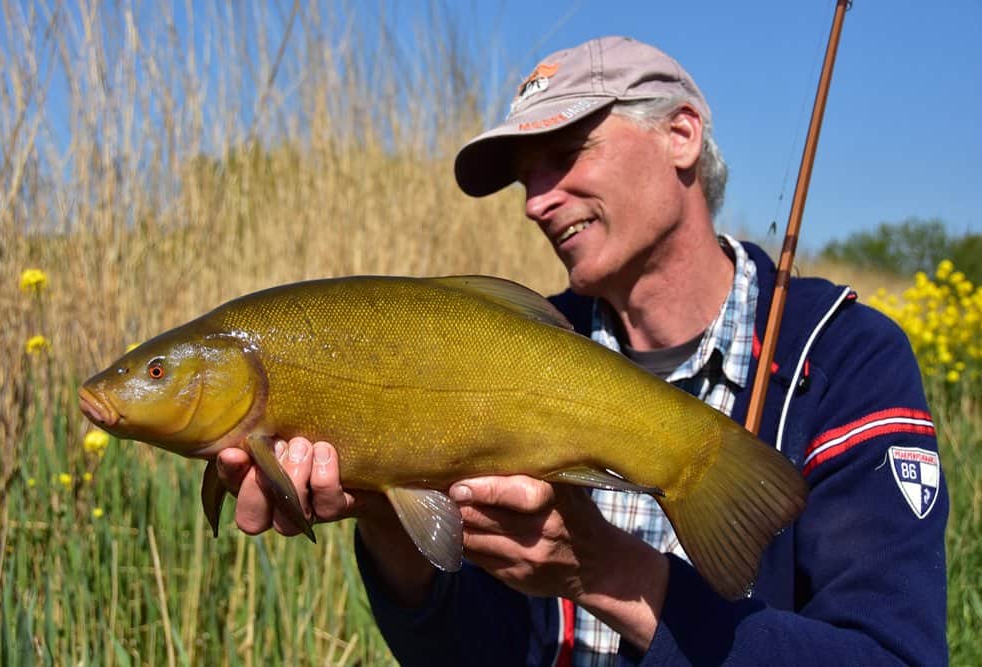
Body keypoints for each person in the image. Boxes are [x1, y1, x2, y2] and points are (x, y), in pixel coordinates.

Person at [215, 36, 948, 665]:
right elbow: (479, 652)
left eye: (564, 155)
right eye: (525, 176)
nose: (536, 200)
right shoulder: (513, 352)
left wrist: (611, 573)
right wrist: (385, 518)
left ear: (682, 135)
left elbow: (890, 653)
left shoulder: (843, 356)